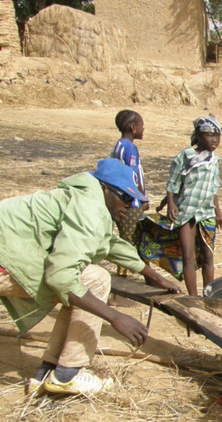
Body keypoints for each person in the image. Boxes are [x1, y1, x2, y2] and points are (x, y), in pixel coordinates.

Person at [0, 159, 181, 396]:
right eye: (125, 198)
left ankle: (49, 372)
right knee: (94, 280)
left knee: (80, 289)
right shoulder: (90, 207)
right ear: (105, 188)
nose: (129, 206)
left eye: (133, 201)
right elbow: (62, 278)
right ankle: (69, 373)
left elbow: (106, 242)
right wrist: (115, 317)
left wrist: (150, 274)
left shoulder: (86, 198)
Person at [138, 115, 222, 297]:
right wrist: (170, 204)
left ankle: (208, 296)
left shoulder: (214, 161)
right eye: (209, 135)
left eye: (217, 136)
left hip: (206, 213)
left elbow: (214, 190)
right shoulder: (184, 157)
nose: (214, 140)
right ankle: (193, 298)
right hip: (186, 213)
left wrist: (219, 213)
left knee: (208, 256)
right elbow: (173, 184)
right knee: (188, 256)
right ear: (198, 135)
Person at [110, 110, 148, 276]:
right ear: (133, 128)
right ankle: (122, 284)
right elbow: (132, 177)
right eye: (141, 126)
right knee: (130, 243)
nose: (143, 129)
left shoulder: (118, 146)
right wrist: (141, 198)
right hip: (131, 203)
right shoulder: (130, 148)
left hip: (120, 201)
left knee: (128, 241)